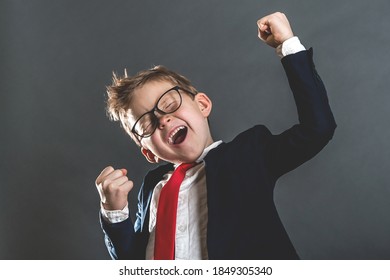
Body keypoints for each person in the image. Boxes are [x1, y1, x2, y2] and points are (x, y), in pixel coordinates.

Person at [95, 12, 336, 260]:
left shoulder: (248, 155)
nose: (163, 119)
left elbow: (317, 129)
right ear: (148, 152)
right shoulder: (151, 187)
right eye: (147, 123)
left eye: (169, 104)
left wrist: (287, 44)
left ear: (202, 104)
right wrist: (113, 213)